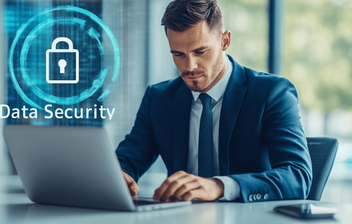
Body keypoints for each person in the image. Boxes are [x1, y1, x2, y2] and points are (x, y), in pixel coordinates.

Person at [116, 0, 312, 203]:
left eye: (200, 52)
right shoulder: (158, 99)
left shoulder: (271, 93)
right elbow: (128, 159)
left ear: (225, 41)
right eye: (178, 54)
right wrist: (120, 175)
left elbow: (297, 176)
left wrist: (220, 186)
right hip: (179, 217)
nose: (189, 66)